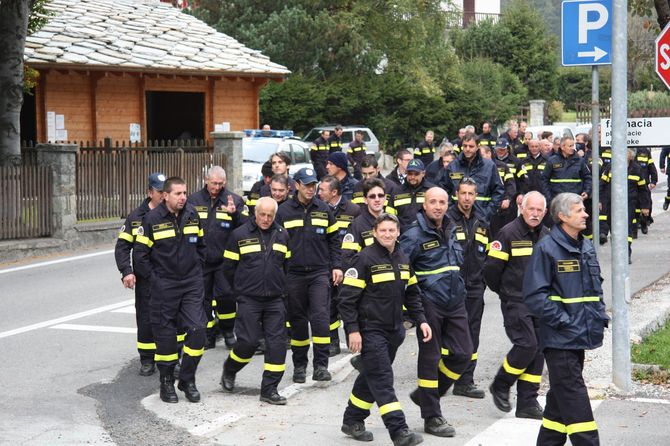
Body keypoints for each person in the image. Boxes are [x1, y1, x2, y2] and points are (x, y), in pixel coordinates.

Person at [523, 192, 609, 446]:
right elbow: (534, 296)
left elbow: (595, 289)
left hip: (577, 337)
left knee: (559, 406)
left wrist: (599, 314)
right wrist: (564, 321)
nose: (585, 214)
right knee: (576, 402)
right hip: (560, 339)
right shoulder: (547, 248)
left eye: (584, 209)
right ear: (562, 216)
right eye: (579, 210)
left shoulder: (586, 246)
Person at [339, 213, 431, 446]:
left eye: (391, 230)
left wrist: (421, 320)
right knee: (382, 379)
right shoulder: (363, 259)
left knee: (372, 374)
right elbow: (347, 300)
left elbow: (412, 294)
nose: (387, 234)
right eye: (383, 231)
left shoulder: (403, 258)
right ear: (374, 233)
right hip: (370, 331)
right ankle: (399, 431)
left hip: (393, 332)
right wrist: (353, 330)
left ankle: (352, 420)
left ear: (398, 232)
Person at [400, 187, 473, 439]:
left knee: (463, 354)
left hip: (455, 301)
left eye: (442, 202)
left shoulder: (452, 227)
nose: (438, 206)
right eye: (433, 202)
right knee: (430, 358)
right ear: (424, 203)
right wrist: (411, 310)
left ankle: (425, 396)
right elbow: (402, 270)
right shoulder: (413, 233)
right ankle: (431, 416)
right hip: (429, 302)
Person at [133, 177, 207, 403]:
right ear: (165, 196)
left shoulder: (193, 215)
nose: (183, 197)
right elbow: (140, 255)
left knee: (198, 330)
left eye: (185, 193)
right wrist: (156, 280)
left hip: (191, 284)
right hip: (164, 286)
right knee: (165, 338)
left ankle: (187, 379)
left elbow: (201, 247)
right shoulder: (151, 220)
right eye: (178, 193)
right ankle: (166, 383)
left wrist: (195, 272)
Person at [485, 191, 550, 420]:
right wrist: (506, 293)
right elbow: (491, 270)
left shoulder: (546, 235)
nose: (534, 214)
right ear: (522, 208)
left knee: (539, 350)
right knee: (527, 345)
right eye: (531, 209)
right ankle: (501, 384)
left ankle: (527, 403)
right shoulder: (508, 233)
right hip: (516, 301)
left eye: (539, 210)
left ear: (545, 212)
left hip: (539, 303)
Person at [220, 197, 291, 405]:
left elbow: (286, 266)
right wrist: (239, 292)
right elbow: (228, 269)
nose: (266, 219)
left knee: (277, 345)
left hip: (275, 300)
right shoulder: (239, 235)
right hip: (248, 299)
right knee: (248, 343)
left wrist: (281, 288)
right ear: (255, 212)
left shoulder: (282, 235)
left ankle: (269, 389)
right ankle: (230, 368)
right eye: (262, 214)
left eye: (270, 215)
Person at [276, 167, 343, 383]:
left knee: (321, 319)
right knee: (297, 322)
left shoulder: (324, 210)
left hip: (319, 273)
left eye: (313, 185)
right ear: (296, 185)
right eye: (306, 185)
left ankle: (321, 366)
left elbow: (334, 241)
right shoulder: (283, 211)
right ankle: (299, 366)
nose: (311, 189)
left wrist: (337, 266)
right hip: (293, 275)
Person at [188, 166, 246, 350]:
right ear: (206, 179)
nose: (216, 187)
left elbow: (247, 226)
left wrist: (234, 214)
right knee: (202, 299)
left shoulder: (234, 200)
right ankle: (209, 334)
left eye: (220, 184)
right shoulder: (193, 200)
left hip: (225, 262)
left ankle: (228, 332)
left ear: (225, 182)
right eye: (214, 183)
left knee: (226, 297)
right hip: (201, 261)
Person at [115, 172, 165, 376]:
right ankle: (147, 359)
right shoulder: (136, 217)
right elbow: (122, 246)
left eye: (165, 191)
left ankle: (171, 358)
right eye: (160, 192)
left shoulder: (173, 214)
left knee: (171, 318)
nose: (163, 195)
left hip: (169, 277)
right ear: (150, 192)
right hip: (146, 278)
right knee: (145, 318)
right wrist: (127, 271)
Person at [447, 178, 490, 399]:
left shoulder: (482, 220)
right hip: (451, 287)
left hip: (474, 287)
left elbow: (488, 253)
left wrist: (483, 280)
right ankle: (444, 377)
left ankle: (465, 381)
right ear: (456, 194)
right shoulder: (447, 219)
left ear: (476, 195)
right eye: (463, 193)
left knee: (472, 334)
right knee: (450, 334)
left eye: (471, 194)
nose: (466, 198)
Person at [318, 175, 361, 356]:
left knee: (349, 304)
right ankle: (333, 341)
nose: (318, 193)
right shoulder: (318, 208)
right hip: (327, 265)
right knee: (329, 305)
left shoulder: (353, 210)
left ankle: (352, 338)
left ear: (334, 192)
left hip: (350, 266)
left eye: (322, 190)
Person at [598, 149, 650, 262]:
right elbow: (601, 185)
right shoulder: (611, 167)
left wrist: (645, 206)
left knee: (627, 229)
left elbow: (643, 190)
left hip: (629, 204)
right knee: (613, 228)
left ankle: (626, 254)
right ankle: (617, 253)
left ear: (630, 156)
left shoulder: (636, 169)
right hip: (611, 203)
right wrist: (599, 200)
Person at [440, 133, 504, 224]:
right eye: (465, 146)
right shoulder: (453, 166)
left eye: (471, 146)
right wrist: (450, 210)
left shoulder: (489, 166)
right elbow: (444, 190)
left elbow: (498, 191)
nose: (467, 149)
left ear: (478, 147)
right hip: (455, 219)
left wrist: (488, 212)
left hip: (481, 219)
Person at [342, 178, 387, 267]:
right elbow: (348, 257)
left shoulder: (392, 221)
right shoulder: (356, 225)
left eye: (380, 195)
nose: (377, 199)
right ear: (365, 200)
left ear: (385, 198)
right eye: (372, 196)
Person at [541, 136, 592, 214]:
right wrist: (549, 199)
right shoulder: (552, 161)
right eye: (570, 146)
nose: (573, 148)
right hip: (558, 201)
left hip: (575, 201)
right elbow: (544, 180)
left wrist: (586, 191)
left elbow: (588, 177)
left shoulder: (580, 161)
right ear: (562, 147)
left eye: (573, 146)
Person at [490, 138, 527, 238]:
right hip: (497, 200)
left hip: (511, 199)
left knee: (509, 226)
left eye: (502, 149)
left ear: (507, 149)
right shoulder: (492, 162)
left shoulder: (516, 162)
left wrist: (521, 193)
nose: (500, 152)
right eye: (498, 149)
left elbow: (523, 181)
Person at [387, 159, 435, 232]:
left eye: (416, 174)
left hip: (426, 234)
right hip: (403, 236)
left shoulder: (432, 191)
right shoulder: (396, 191)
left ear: (423, 173)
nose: (412, 177)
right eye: (410, 173)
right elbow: (389, 216)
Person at [634, 147, 657, 234]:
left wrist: (654, 181)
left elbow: (651, 167)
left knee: (646, 203)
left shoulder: (645, 151)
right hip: (632, 185)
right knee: (634, 205)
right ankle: (635, 225)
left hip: (643, 184)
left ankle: (644, 222)